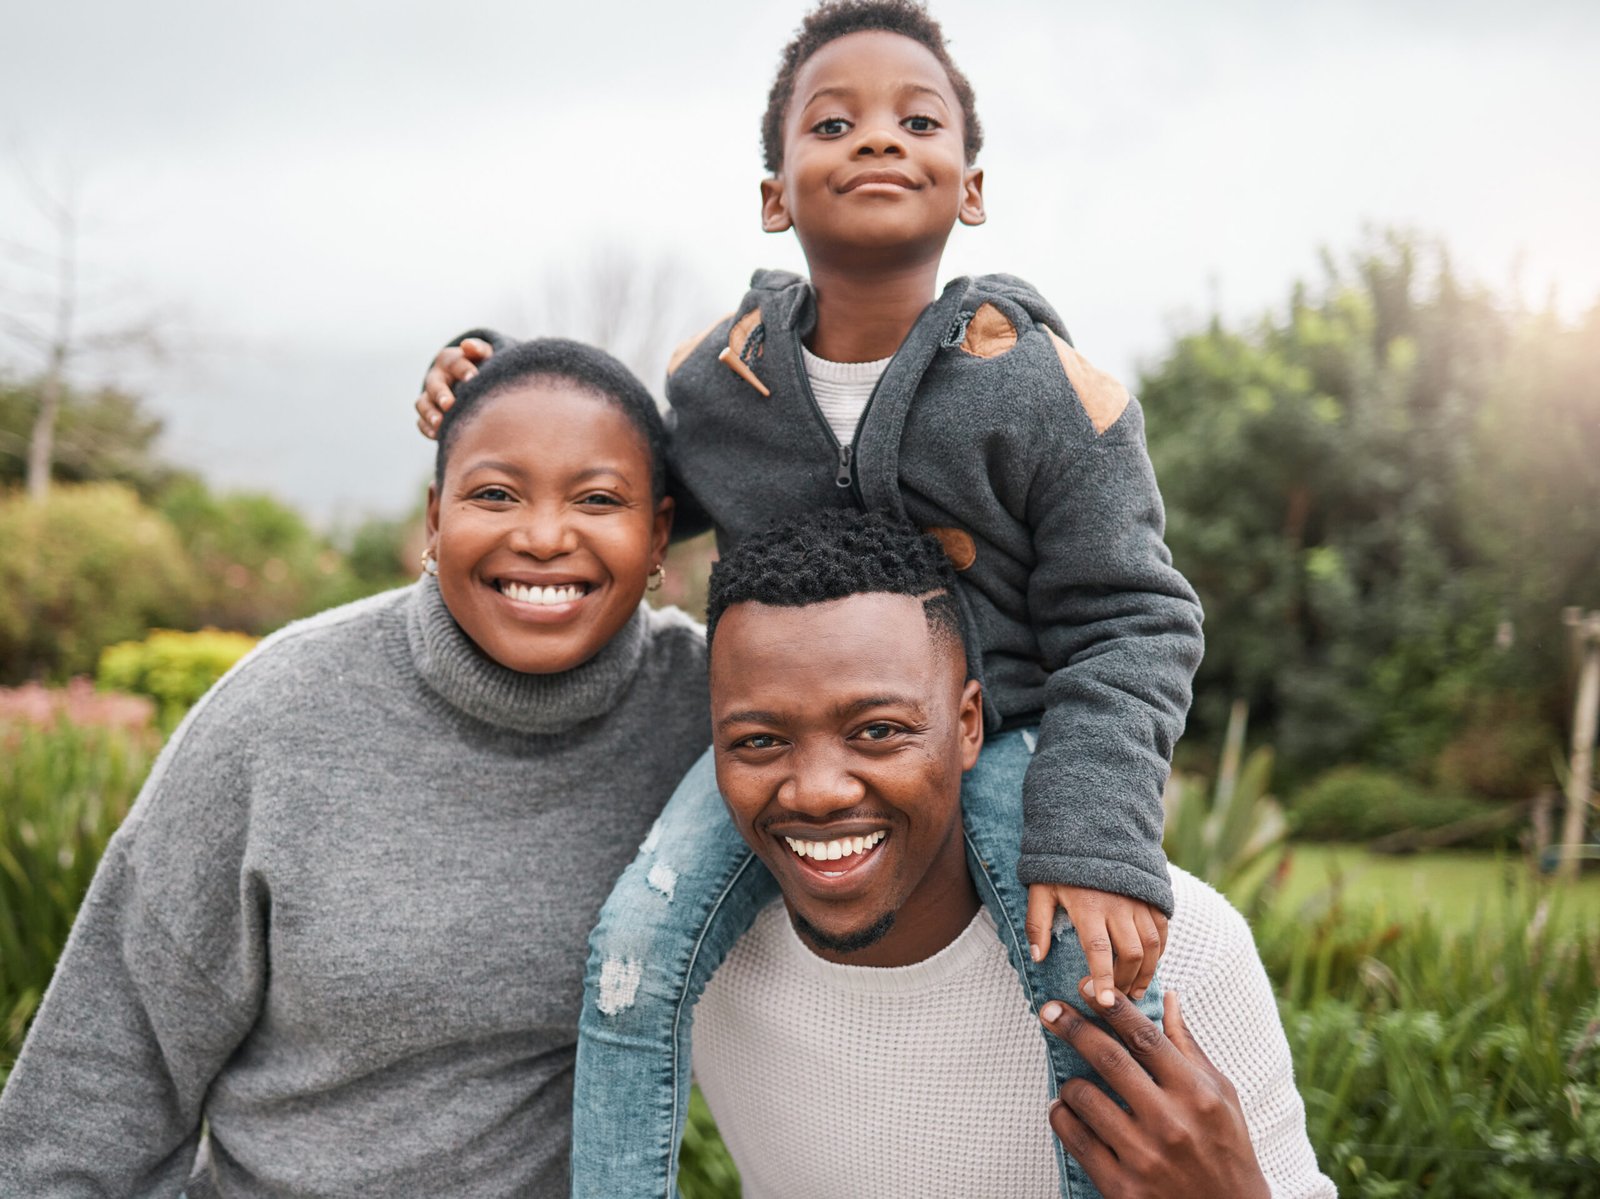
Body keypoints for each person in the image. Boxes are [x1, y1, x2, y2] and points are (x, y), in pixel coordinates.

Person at [414, 3, 1204, 1194]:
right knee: (634, 946)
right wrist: (498, 370)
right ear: (777, 194)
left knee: (1091, 973)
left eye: (916, 119)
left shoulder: (1048, 394)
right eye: (833, 122)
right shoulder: (726, 378)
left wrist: (1092, 829)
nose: (877, 139)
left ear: (970, 187)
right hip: (784, 743)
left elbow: (1135, 617)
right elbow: (623, 475)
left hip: (1006, 734)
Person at [0, 340, 710, 1197]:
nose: (545, 535)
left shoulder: (714, 711)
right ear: (436, 518)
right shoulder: (278, 713)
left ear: (659, 530)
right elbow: (101, 1082)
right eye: (494, 493)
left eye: (598, 499)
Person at [685, 509, 1334, 1198]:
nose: (817, 792)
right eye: (759, 740)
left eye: (877, 730)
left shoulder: (1179, 952)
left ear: (968, 725)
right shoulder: (700, 963)